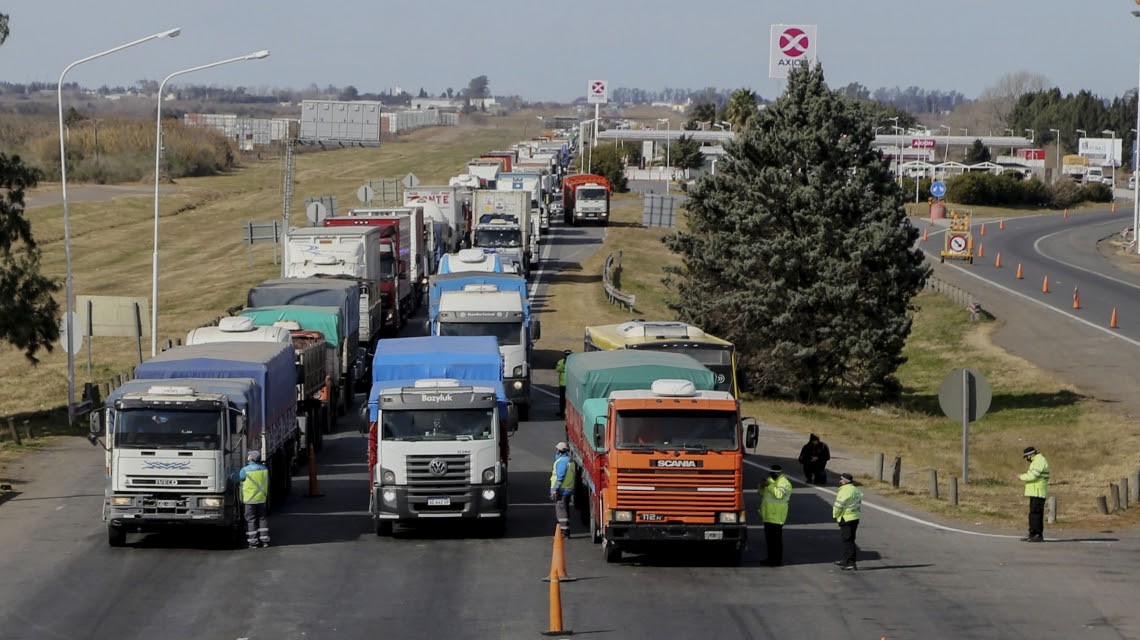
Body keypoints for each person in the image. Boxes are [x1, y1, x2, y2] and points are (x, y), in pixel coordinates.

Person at [758, 464, 792, 567]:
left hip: (777, 517)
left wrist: (769, 485)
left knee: (776, 541)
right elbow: (761, 493)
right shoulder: (770, 480)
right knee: (769, 540)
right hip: (767, 515)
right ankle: (770, 559)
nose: (771, 475)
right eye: (770, 473)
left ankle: (776, 560)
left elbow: (779, 495)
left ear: (779, 473)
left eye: (773, 473)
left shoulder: (784, 483)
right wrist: (761, 486)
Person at [239, 450, 270, 549]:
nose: (247, 457)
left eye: (249, 455)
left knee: (251, 520)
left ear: (251, 458)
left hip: (250, 500)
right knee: (262, 518)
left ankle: (253, 542)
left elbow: (238, 478)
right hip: (262, 498)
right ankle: (265, 541)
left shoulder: (245, 470)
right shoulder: (265, 469)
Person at [1018, 446, 1050, 542]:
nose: (1027, 459)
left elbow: (1033, 476)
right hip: (1034, 491)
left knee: (1036, 514)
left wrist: (1021, 476)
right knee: (1033, 514)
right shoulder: (1036, 461)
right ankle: (1032, 533)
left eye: (1027, 456)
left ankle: (1037, 535)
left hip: (1038, 491)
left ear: (1031, 454)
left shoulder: (1039, 460)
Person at [832, 472, 863, 571]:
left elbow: (838, 505)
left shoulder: (845, 491)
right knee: (850, 539)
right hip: (855, 517)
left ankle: (850, 563)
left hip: (846, 518)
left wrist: (835, 515)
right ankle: (845, 560)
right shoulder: (856, 490)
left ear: (845, 481)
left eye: (841, 479)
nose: (840, 481)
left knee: (848, 541)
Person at [549, 441, 576, 538]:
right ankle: (566, 530)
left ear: (560, 451)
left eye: (557, 450)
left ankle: (564, 531)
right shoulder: (570, 461)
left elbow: (560, 476)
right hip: (568, 489)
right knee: (565, 509)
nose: (556, 451)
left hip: (562, 490)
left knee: (561, 510)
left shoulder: (561, 462)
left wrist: (554, 489)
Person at [555, 350, 571, 417]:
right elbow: (558, 369)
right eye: (566, 354)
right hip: (563, 384)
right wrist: (564, 364)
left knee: (570, 400)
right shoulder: (561, 362)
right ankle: (562, 412)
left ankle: (569, 413)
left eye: (569, 354)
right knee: (562, 400)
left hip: (570, 384)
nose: (567, 356)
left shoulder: (573, 362)